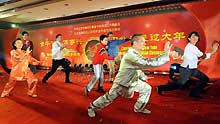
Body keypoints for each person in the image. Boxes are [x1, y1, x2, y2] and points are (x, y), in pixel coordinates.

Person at [87, 34, 171, 118]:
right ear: (135, 42)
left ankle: (139, 108)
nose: (144, 43)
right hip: (121, 83)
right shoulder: (131, 55)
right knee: (108, 98)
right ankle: (91, 107)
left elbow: (137, 67)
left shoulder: (134, 53)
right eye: (142, 41)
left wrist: (142, 76)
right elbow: (147, 63)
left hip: (132, 81)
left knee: (146, 88)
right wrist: (165, 54)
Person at [156, 31, 219, 99]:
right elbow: (202, 56)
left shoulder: (192, 47)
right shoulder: (191, 47)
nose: (195, 38)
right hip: (186, 69)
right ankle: (160, 88)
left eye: (196, 36)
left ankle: (194, 93)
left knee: (205, 79)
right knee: (179, 85)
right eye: (193, 36)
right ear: (189, 38)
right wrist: (213, 51)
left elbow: (197, 58)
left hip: (192, 69)